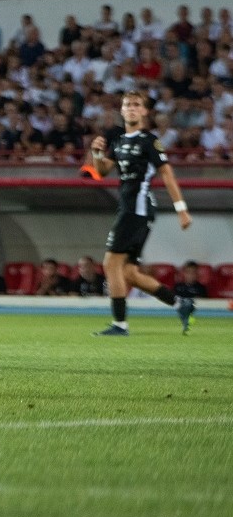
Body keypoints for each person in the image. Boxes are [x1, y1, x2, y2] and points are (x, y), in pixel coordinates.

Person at [83, 91, 195, 335]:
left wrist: (181, 209)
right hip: (130, 209)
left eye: (136, 104)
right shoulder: (119, 141)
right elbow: (102, 171)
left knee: (111, 263)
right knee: (129, 273)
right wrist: (97, 153)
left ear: (144, 111)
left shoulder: (149, 141)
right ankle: (180, 304)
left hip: (138, 209)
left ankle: (119, 324)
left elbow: (166, 174)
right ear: (122, 110)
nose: (131, 108)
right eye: (127, 104)